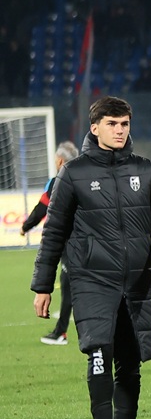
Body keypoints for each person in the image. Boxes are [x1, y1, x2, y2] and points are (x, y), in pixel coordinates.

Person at [31, 96, 151, 419]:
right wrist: (43, 284)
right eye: (112, 124)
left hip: (137, 283)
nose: (119, 130)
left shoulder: (146, 170)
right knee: (99, 352)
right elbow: (54, 232)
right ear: (94, 127)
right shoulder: (74, 172)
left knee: (130, 363)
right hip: (91, 280)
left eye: (125, 124)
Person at [22, 141, 80, 345]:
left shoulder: (57, 182)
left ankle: (61, 332)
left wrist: (25, 227)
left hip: (69, 243)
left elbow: (42, 209)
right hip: (91, 244)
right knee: (74, 285)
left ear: (60, 160)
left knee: (70, 285)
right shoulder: (86, 179)